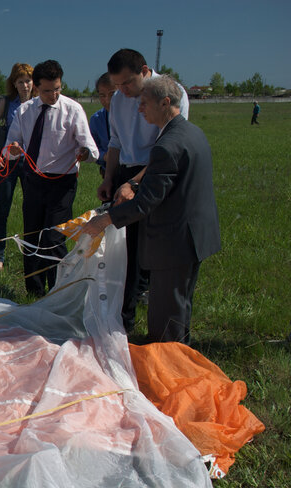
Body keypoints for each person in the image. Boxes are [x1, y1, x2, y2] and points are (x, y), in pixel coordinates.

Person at [80, 76, 220, 345]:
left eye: (144, 103)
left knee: (165, 316)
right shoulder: (191, 132)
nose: (139, 108)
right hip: (193, 236)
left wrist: (104, 221)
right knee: (179, 307)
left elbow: (146, 203)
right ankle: (179, 353)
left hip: (175, 241)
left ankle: (168, 365)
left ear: (165, 103)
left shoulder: (166, 147)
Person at [96, 48, 190, 332]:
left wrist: (135, 183)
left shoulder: (172, 94)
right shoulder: (119, 100)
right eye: (116, 86)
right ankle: (124, 318)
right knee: (126, 250)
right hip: (126, 173)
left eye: (127, 84)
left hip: (155, 173)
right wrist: (110, 178)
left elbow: (170, 146)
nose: (122, 91)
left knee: (154, 247)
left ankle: (154, 307)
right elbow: (115, 142)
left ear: (145, 71)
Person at [4, 60, 97, 296]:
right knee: (32, 236)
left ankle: (57, 292)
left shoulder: (73, 110)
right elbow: (10, 145)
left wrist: (84, 153)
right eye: (47, 90)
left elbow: (91, 150)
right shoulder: (24, 111)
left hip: (62, 184)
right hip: (33, 180)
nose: (53, 94)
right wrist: (13, 149)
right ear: (36, 87)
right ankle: (34, 292)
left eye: (57, 88)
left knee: (54, 238)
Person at [0, 63, 34, 272]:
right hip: (7, 163)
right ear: (14, 83)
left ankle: (31, 255)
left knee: (32, 210)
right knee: (2, 209)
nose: (25, 85)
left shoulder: (39, 103)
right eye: (20, 81)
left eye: (28, 81)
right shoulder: (5, 103)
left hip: (31, 164)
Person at [88, 73, 114, 179]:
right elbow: (92, 149)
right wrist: (105, 156)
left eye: (112, 94)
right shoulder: (96, 119)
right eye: (102, 95)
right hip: (107, 173)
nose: (107, 100)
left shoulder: (134, 115)